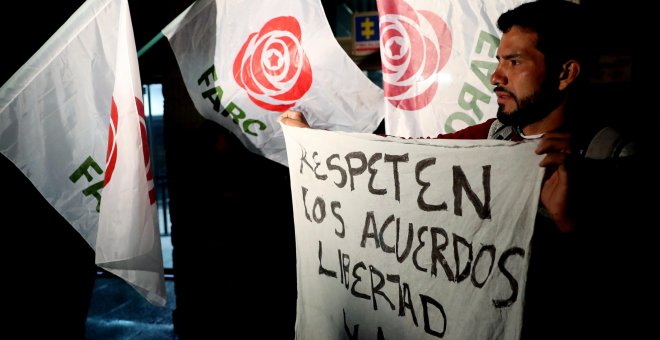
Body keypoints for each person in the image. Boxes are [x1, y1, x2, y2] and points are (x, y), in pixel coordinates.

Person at [280, 0, 646, 338]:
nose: (496, 77)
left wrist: (571, 226)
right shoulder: (485, 139)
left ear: (565, 73)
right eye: (499, 60)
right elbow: (401, 161)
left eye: (515, 62)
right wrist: (314, 144)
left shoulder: (614, 157)